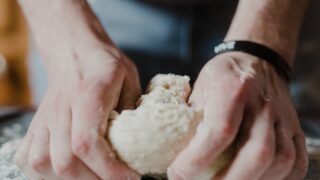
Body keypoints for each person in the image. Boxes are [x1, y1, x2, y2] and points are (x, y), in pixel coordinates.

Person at [13, 0, 309, 179]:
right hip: (98, 12)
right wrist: (68, 43)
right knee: (79, 145)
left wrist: (263, 45)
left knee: (268, 152)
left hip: (281, 14)